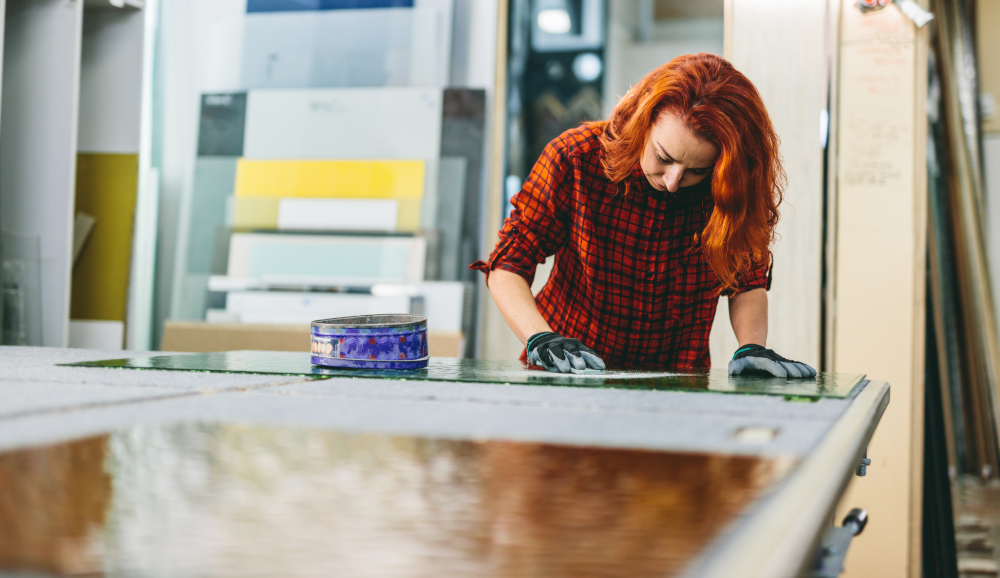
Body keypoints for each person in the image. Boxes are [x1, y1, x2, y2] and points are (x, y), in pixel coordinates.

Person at [471, 53, 816, 378]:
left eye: (696, 171)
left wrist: (751, 346)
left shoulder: (730, 185)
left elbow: (746, 283)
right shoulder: (575, 158)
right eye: (664, 157)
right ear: (643, 120)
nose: (673, 181)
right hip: (567, 374)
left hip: (676, 385)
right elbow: (508, 265)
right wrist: (539, 339)